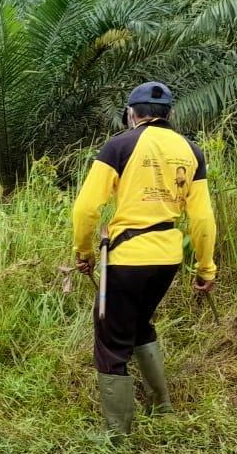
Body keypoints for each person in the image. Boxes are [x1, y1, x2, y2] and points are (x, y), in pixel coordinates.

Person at [72, 82, 217, 435]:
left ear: (131, 114)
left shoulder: (119, 145)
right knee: (139, 325)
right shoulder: (190, 151)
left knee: (110, 339)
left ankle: (117, 433)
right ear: (169, 115)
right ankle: (162, 406)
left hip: (127, 257)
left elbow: (87, 208)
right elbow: (201, 219)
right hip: (167, 257)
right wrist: (205, 266)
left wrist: (84, 251)